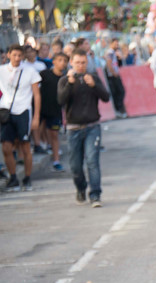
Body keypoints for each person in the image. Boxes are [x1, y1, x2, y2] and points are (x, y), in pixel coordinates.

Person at [58, 49, 110, 207]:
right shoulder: (64, 80)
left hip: (92, 127)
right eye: (78, 63)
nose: (81, 66)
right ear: (71, 63)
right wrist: (69, 84)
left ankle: (95, 195)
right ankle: (81, 188)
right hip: (73, 129)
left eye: (83, 63)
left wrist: (94, 85)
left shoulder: (92, 78)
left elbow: (106, 97)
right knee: (75, 166)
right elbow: (60, 100)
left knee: (92, 161)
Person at [0, 44, 41, 193]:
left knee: (24, 146)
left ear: (23, 56)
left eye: (19, 55)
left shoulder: (30, 71)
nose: (17, 58)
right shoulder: (2, 71)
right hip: (6, 111)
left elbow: (37, 94)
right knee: (6, 147)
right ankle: (13, 177)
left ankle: (27, 177)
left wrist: (36, 117)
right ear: (9, 55)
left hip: (23, 111)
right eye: (14, 55)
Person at [40, 52, 68, 172]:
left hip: (56, 110)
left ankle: (56, 160)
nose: (62, 63)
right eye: (60, 60)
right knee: (38, 129)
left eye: (65, 61)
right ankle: (41, 145)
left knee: (55, 135)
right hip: (41, 109)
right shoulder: (44, 74)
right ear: (54, 61)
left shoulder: (65, 78)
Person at [104, 37, 127, 118]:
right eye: (115, 43)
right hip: (112, 76)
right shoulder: (109, 52)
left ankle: (119, 109)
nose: (117, 45)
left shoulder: (114, 52)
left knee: (120, 92)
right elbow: (109, 63)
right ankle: (118, 109)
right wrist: (114, 73)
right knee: (119, 92)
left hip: (115, 75)